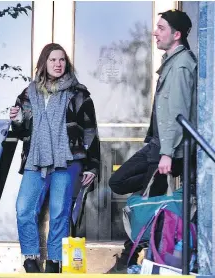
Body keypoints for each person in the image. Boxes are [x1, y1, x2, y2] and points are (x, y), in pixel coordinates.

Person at [106, 9, 197, 273]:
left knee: (148, 205)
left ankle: (131, 259)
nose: (155, 32)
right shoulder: (172, 62)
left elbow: (178, 113)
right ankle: (137, 257)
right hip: (157, 146)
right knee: (120, 183)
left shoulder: (180, 66)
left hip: (166, 149)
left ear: (176, 34)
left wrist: (167, 153)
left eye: (161, 28)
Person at [10, 43, 100, 273]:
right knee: (23, 207)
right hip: (35, 159)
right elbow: (21, 132)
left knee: (60, 210)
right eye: (53, 60)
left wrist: (92, 166)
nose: (58, 64)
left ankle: (53, 261)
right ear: (44, 63)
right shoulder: (29, 93)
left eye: (62, 60)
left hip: (67, 160)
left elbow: (90, 131)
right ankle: (30, 257)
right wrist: (17, 119)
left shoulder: (78, 93)